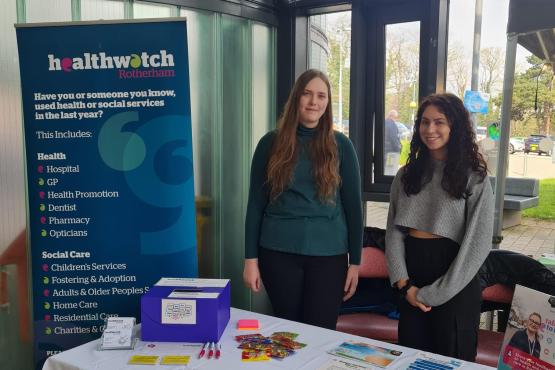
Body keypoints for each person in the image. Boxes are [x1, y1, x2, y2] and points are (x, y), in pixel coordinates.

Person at [242, 69, 363, 330]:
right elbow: (255, 204)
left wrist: (356, 262)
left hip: (329, 256)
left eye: (321, 96)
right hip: (278, 252)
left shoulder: (341, 145)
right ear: (296, 98)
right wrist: (250, 260)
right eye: (307, 94)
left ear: (328, 103)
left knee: (321, 332)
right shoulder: (270, 144)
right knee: (288, 333)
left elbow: (354, 207)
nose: (313, 102)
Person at [385, 93, 493, 361]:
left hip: (455, 283)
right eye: (424, 122)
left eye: (439, 122)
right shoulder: (405, 175)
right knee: (410, 362)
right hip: (412, 282)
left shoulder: (475, 177)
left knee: (451, 361)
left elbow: (477, 246)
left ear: (454, 127)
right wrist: (405, 287)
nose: (430, 129)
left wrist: (432, 295)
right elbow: (394, 234)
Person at [384, 110, 401, 175]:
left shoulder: (383, 123)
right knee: (391, 172)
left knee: (385, 171)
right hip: (391, 153)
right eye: (396, 118)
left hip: (383, 152)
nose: (396, 120)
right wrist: (399, 149)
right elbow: (394, 139)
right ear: (393, 117)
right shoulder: (392, 125)